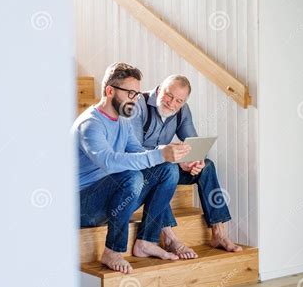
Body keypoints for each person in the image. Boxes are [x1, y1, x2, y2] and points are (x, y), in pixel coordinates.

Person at [72, 63, 191, 274]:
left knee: (167, 170)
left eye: (136, 93)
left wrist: (166, 153)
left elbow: (137, 151)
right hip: (83, 205)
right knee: (131, 177)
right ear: (110, 91)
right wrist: (159, 154)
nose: (135, 99)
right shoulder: (90, 124)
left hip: (114, 200)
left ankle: (146, 240)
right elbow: (110, 161)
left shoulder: (123, 121)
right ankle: (113, 250)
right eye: (130, 93)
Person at [130, 74, 243, 260]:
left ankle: (219, 233)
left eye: (179, 100)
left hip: (167, 166)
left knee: (207, 166)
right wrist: (171, 158)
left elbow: (194, 145)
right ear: (159, 89)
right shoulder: (138, 105)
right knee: (167, 170)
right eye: (168, 95)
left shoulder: (182, 111)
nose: (172, 103)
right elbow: (132, 149)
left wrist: (196, 161)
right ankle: (170, 238)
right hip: (139, 170)